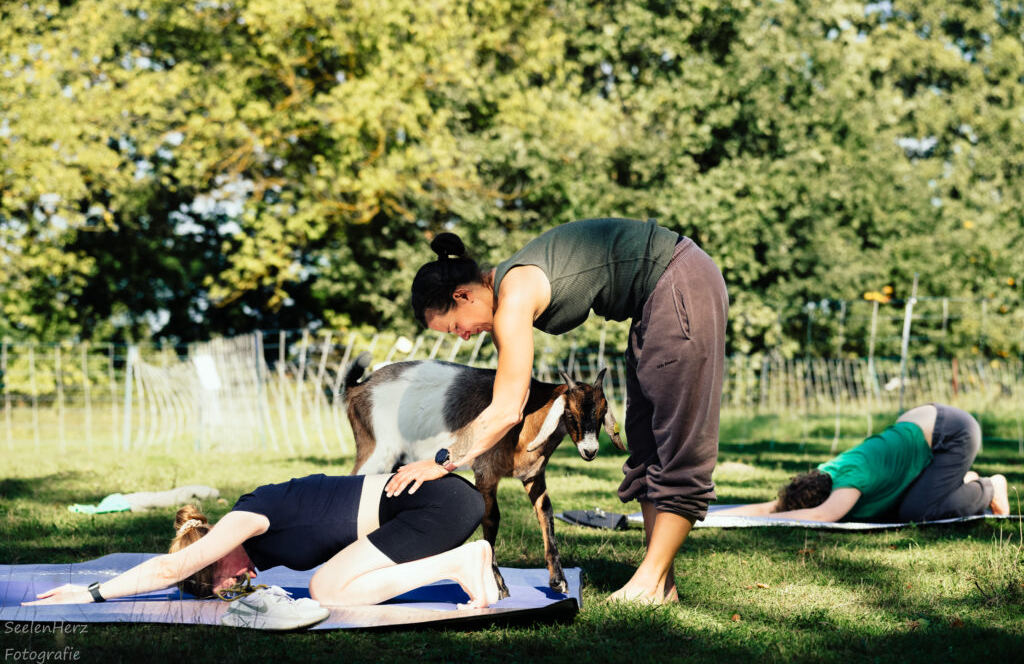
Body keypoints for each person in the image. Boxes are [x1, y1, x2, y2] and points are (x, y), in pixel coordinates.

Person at [386, 218, 729, 604]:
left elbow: (506, 410)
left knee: (679, 447)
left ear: (463, 295)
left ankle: (648, 582)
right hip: (654, 302)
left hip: (679, 281)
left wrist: (442, 460)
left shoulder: (512, 299)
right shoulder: (507, 290)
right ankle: (661, 584)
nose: (463, 336)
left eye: (453, 327)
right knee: (648, 448)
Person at [25, 473, 502, 621]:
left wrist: (89, 594)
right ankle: (464, 561)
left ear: (213, 553)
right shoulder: (257, 551)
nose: (237, 585)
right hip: (430, 509)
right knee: (333, 583)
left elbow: (171, 570)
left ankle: (460, 561)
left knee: (327, 587)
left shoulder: (246, 519)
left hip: (435, 505)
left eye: (223, 580)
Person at [717, 404, 1011, 522]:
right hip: (920, 421)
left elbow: (821, 516)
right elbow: (773, 506)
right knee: (901, 502)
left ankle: (989, 487)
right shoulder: (828, 471)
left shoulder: (849, 484)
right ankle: (957, 482)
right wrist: (711, 517)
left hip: (952, 433)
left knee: (916, 511)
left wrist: (765, 521)